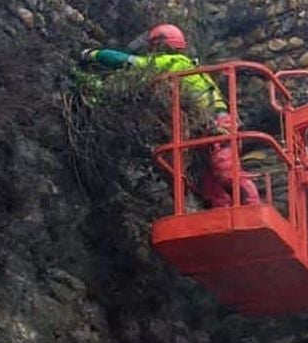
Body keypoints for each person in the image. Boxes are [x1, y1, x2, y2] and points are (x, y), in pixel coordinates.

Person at [80, 24, 260, 208]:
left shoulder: (172, 63)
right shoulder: (190, 67)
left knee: (226, 170)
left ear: (160, 46)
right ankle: (225, 215)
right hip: (211, 125)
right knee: (212, 184)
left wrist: (92, 54)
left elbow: (127, 61)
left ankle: (253, 207)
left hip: (216, 124)